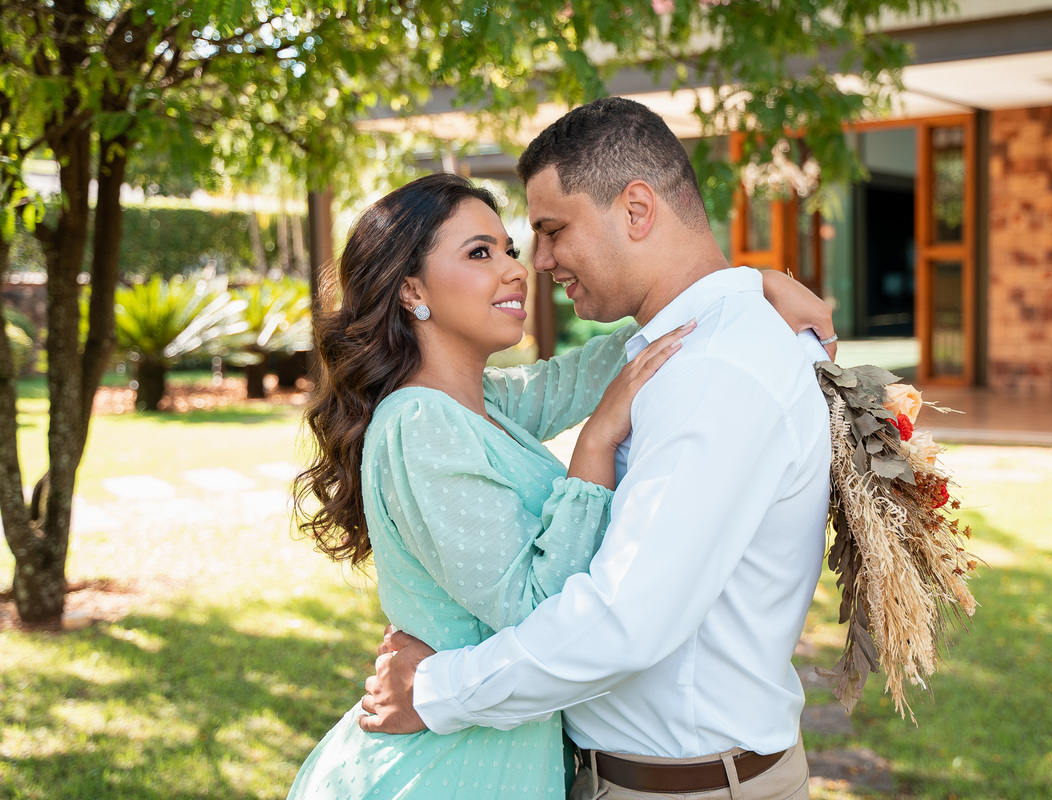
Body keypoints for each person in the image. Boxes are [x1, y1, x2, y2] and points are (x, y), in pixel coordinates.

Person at [288, 169, 833, 798]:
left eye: (510, 249)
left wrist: (746, 289)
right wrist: (595, 448)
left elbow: (633, 349)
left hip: (506, 755)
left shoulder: (479, 405)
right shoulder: (420, 423)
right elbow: (537, 609)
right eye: (480, 253)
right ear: (412, 290)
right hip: (450, 771)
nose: (520, 269)